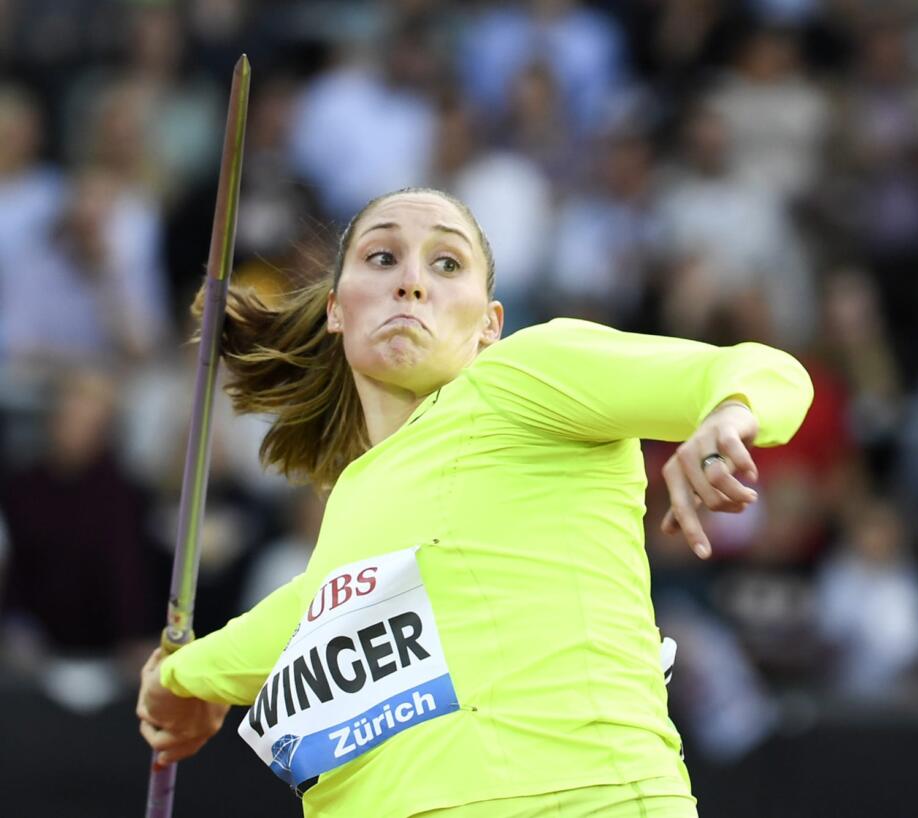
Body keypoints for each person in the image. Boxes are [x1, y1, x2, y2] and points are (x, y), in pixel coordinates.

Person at [135, 187, 813, 817]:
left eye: (447, 263)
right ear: (337, 307)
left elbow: (762, 370)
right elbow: (313, 609)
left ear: (490, 323)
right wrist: (186, 676)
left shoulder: (525, 375)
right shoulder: (358, 494)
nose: (411, 279)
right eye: (381, 256)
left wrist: (729, 415)